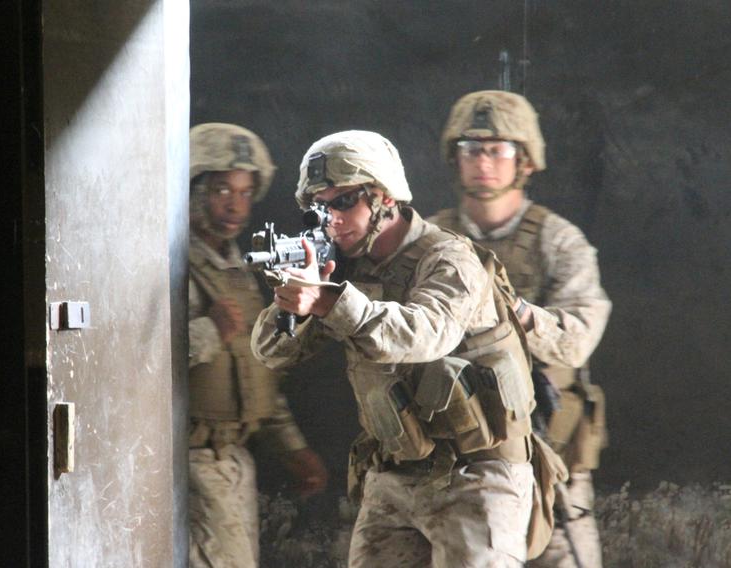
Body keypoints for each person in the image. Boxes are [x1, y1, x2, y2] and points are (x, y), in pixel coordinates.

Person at [250, 130, 556, 567]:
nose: (331, 219)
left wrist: (331, 300)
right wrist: (295, 304)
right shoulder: (344, 267)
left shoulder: (449, 258)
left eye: (343, 202)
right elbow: (271, 353)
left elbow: (426, 333)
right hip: (394, 472)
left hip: (477, 475)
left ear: (384, 197)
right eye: (319, 207)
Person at [431, 90, 612, 568]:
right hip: (457, 461)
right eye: (471, 149)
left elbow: (577, 337)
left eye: (498, 149)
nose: (483, 161)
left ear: (525, 162)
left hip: (547, 458)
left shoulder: (558, 240)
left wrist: (522, 316)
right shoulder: (428, 242)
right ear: (455, 158)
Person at [187, 123, 328, 568]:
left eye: (246, 193)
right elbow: (135, 366)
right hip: (187, 461)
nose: (235, 204)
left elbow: (259, 374)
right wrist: (209, 331)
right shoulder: (169, 264)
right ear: (193, 190)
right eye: (222, 190)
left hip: (234, 460)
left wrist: (292, 449)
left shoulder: (239, 272)